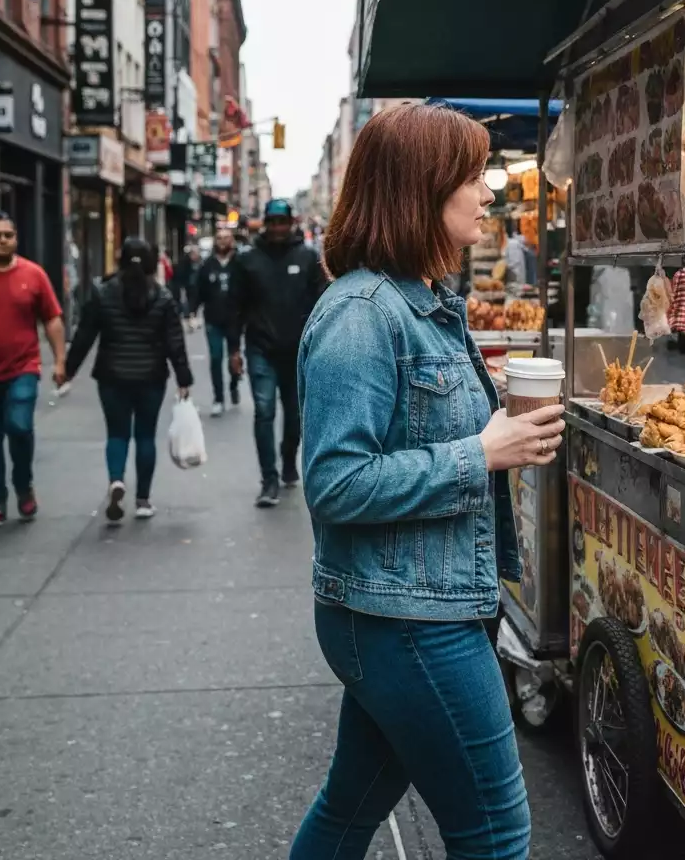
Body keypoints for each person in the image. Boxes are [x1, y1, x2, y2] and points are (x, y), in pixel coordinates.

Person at [290, 103, 564, 860]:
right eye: (472, 178)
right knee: (495, 831)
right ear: (421, 189)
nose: (487, 194)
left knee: (350, 808)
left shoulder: (420, 302)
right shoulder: (362, 314)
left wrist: (491, 429)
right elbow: (337, 483)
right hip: (406, 619)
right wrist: (483, 452)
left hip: (413, 605)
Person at [65, 239, 193, 522]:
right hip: (151, 377)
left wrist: (68, 369)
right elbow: (174, 341)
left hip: (112, 377)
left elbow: (85, 334)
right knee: (146, 435)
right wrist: (184, 378)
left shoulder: (103, 293)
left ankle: (116, 481)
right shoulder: (162, 297)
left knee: (117, 433)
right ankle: (143, 499)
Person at [228, 199, 324, 507]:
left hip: (298, 352)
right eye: (273, 222)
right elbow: (235, 308)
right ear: (266, 224)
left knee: (295, 415)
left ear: (291, 223)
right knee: (264, 410)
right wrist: (234, 349)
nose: (278, 228)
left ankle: (287, 460)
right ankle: (268, 479)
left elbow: (322, 305)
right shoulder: (248, 261)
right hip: (261, 349)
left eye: (283, 222)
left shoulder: (308, 258)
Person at [0, 211, 66, 526]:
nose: (3, 240)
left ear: (16, 238)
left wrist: (60, 359)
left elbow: (51, 318)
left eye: (8, 234)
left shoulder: (34, 275)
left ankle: (24, 485)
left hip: (23, 367)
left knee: (19, 426)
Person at [190, 226, 239, 416]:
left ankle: (234, 383)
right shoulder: (207, 265)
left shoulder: (239, 263)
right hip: (213, 320)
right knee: (216, 358)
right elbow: (198, 291)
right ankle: (218, 398)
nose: (223, 241)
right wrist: (191, 311)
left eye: (226, 238)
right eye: (219, 238)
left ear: (232, 240)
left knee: (234, 358)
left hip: (234, 320)